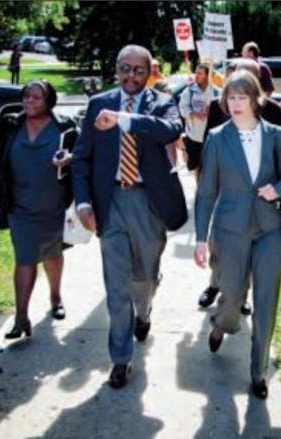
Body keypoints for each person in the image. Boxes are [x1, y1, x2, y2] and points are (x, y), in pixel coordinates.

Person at [71, 44, 188, 389]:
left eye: (139, 70)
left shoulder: (161, 102)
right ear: (116, 69)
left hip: (149, 203)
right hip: (110, 203)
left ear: (149, 72)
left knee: (145, 277)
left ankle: (145, 311)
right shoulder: (99, 103)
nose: (131, 76)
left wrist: (124, 120)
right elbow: (81, 157)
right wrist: (83, 203)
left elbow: (171, 129)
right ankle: (120, 359)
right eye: (125, 68)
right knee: (116, 284)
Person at [194, 70, 281, 400]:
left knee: (266, 301)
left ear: (256, 99)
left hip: (271, 229)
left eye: (242, 97)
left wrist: (278, 189)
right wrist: (201, 238)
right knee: (231, 296)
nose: (236, 103)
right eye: (231, 97)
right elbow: (206, 193)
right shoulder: (216, 138)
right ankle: (221, 324)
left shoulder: (276, 136)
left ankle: (259, 371)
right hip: (230, 230)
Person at [0, 80, 76, 339]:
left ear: (49, 101)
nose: (29, 101)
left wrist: (71, 159)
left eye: (36, 97)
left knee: (53, 253)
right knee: (25, 257)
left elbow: (84, 156)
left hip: (54, 204)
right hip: (19, 204)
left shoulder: (64, 126)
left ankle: (56, 297)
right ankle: (21, 317)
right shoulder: (10, 125)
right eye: (26, 96)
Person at [197, 57, 281, 315]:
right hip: (225, 190)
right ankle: (215, 284)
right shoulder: (219, 105)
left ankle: (240, 295)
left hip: (259, 199)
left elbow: (279, 157)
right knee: (219, 249)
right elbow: (208, 142)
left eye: (250, 74)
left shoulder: (273, 110)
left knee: (248, 252)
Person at [179, 62, 220, 183]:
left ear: (207, 75)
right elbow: (183, 109)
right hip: (194, 136)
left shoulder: (216, 92)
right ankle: (199, 189)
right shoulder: (189, 91)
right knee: (195, 165)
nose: (196, 76)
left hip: (212, 136)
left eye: (200, 73)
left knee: (212, 166)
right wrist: (195, 114)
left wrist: (212, 110)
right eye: (196, 73)